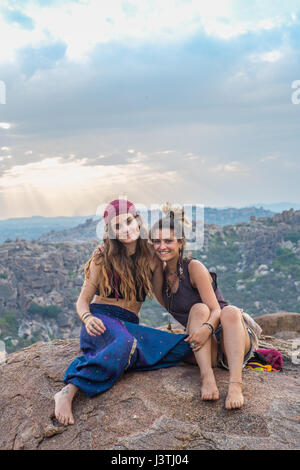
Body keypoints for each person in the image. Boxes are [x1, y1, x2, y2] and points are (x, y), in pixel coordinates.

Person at [54, 199, 193, 426]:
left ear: (138, 222)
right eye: (118, 226)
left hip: (129, 324)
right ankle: (68, 391)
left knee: (185, 347)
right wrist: (87, 318)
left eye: (128, 222)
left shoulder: (151, 256)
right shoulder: (102, 256)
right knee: (125, 343)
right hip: (101, 320)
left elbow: (164, 299)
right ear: (111, 231)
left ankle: (117, 358)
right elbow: (83, 301)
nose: (125, 229)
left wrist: (195, 323)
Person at [150, 206, 261, 410]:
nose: (161, 246)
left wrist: (206, 329)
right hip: (207, 350)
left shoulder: (193, 267)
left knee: (226, 310)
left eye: (168, 241)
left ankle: (235, 384)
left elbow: (216, 310)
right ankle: (207, 377)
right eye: (156, 241)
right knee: (198, 310)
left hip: (230, 335)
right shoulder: (160, 279)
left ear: (181, 242)